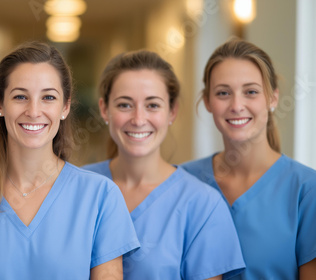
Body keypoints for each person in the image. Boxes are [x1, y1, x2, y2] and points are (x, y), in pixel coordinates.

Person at [0, 41, 139, 280]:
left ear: (65, 107)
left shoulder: (100, 197)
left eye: (48, 98)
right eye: (21, 96)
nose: (34, 111)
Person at [83, 50, 245, 279]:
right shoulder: (78, 188)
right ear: (104, 109)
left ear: (173, 111)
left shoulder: (202, 205)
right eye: (124, 105)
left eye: (152, 105)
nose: (138, 119)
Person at [181, 39, 316, 279]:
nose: (236, 105)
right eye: (223, 93)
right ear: (208, 101)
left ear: (273, 98)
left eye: (251, 92)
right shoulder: (182, 181)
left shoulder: (306, 190)